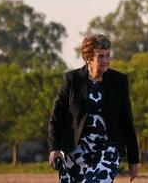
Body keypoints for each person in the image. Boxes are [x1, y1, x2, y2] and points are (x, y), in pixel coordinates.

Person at [48, 34, 140, 182]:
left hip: (107, 150)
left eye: (108, 56)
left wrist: (133, 159)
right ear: (88, 58)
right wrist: (54, 148)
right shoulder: (72, 79)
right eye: (101, 57)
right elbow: (56, 117)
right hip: (74, 151)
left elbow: (127, 121)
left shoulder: (119, 81)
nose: (106, 60)